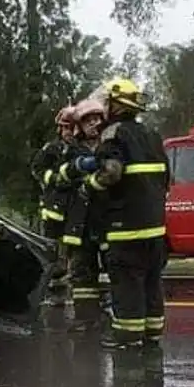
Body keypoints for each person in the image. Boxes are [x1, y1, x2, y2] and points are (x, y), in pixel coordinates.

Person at [79, 78, 170, 349]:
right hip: (156, 229)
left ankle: (128, 339)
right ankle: (152, 334)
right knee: (152, 284)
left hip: (126, 229)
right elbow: (166, 179)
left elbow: (112, 172)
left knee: (128, 284)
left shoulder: (113, 134)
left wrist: (89, 185)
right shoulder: (152, 135)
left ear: (116, 106)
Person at [58, 98, 108, 329]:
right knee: (81, 273)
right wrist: (81, 167)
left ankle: (113, 313)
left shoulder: (112, 145)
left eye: (97, 119)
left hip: (108, 219)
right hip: (80, 221)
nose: (93, 124)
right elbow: (62, 178)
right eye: (88, 120)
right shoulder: (71, 150)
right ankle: (86, 318)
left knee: (114, 269)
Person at [30, 106, 76, 305]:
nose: (70, 133)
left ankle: (67, 289)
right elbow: (37, 168)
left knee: (72, 254)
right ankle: (51, 292)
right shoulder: (52, 149)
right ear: (60, 129)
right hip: (53, 211)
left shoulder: (79, 149)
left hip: (74, 211)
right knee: (50, 253)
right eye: (66, 128)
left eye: (73, 128)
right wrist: (54, 179)